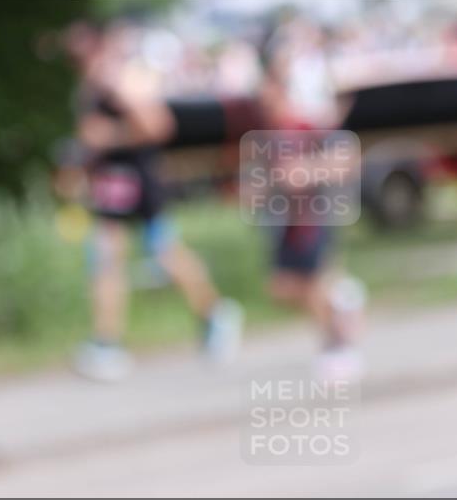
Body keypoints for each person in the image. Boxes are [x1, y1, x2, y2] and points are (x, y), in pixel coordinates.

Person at [58, 21, 242, 381]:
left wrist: (110, 137)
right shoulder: (91, 86)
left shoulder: (120, 80)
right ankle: (107, 343)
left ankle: (214, 313)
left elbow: (158, 125)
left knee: (163, 252)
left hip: (139, 181)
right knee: (106, 255)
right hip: (112, 183)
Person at [257, 21, 367, 381]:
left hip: (313, 213)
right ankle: (343, 298)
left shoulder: (307, 122)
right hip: (289, 217)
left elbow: (346, 158)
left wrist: (306, 171)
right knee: (283, 287)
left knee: (314, 284)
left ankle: (338, 347)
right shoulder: (274, 128)